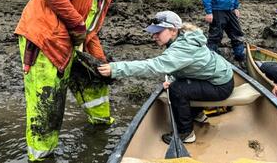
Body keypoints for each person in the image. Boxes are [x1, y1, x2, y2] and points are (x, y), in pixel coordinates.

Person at [14, 0, 142, 161]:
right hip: (44, 40)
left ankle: (101, 124)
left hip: (69, 45)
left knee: (96, 80)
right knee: (48, 102)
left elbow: (90, 33)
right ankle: (41, 155)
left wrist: (101, 63)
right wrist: (76, 24)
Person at [97, 11, 234, 144]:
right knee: (176, 84)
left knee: (177, 90)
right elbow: (185, 66)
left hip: (220, 86)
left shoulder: (182, 48)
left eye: (158, 32)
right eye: (153, 32)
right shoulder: (184, 37)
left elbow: (152, 66)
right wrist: (174, 79)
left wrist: (116, 68)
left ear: (173, 30)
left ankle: (185, 134)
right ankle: (197, 115)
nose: (154, 36)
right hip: (219, 77)